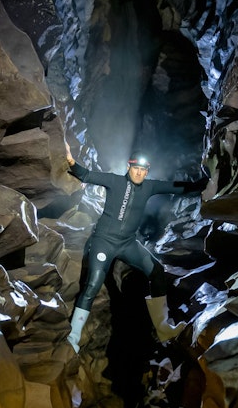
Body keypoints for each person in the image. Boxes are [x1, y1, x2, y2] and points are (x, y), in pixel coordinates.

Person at [65, 148, 209, 353]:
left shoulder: (149, 187)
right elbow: (86, 175)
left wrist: (204, 184)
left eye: (143, 169)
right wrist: (71, 161)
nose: (139, 173)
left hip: (127, 243)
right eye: (136, 168)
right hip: (103, 242)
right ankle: (73, 338)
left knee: (157, 271)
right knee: (93, 285)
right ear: (128, 167)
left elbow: (177, 187)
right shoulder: (115, 181)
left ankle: (163, 328)